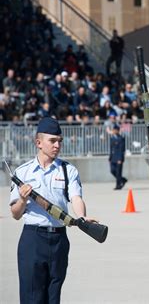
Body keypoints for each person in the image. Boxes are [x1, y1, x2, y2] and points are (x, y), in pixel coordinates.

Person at [9, 117, 98, 303]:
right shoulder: (23, 172)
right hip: (33, 239)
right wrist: (23, 199)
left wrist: (81, 217)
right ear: (38, 142)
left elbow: (76, 197)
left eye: (60, 141)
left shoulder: (68, 170)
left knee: (53, 296)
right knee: (31, 296)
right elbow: (16, 214)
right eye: (52, 141)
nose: (57, 145)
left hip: (59, 239)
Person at [109, 124, 127, 190]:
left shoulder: (121, 138)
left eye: (115, 130)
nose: (114, 131)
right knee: (112, 170)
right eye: (113, 130)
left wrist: (120, 159)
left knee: (118, 172)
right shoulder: (112, 138)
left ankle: (118, 185)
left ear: (118, 130)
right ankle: (123, 179)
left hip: (119, 158)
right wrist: (110, 158)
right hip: (113, 158)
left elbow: (122, 149)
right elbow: (111, 149)